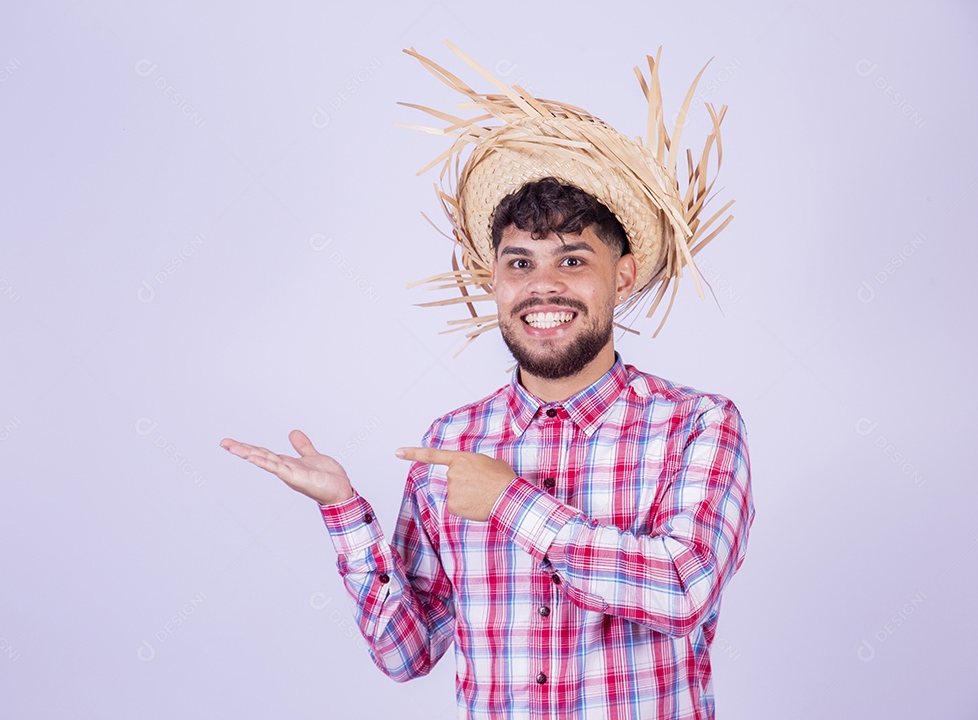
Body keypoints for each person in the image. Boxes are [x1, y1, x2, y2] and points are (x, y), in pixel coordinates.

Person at [221, 44, 754, 720]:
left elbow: (682, 590)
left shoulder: (699, 427)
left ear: (621, 277)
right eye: (520, 262)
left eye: (573, 259)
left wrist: (510, 503)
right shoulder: (453, 442)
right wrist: (344, 513)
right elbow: (404, 653)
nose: (544, 286)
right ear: (494, 280)